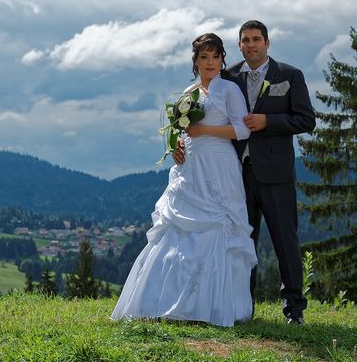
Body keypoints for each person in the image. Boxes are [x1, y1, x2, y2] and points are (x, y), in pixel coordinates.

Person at [173, 20, 315, 325]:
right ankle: (242, 306)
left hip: (275, 173)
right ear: (238, 45)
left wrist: (269, 121)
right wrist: (180, 143)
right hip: (234, 174)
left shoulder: (289, 75)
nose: (251, 45)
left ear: (267, 42)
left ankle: (294, 309)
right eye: (245, 40)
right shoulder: (228, 75)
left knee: (284, 241)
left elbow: (306, 120)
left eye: (256, 39)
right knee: (238, 239)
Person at [111, 33, 257, 327]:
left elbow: (242, 130)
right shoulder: (187, 93)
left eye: (216, 57)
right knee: (177, 231)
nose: (211, 62)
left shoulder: (230, 90)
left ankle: (216, 306)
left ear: (222, 60)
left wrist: (205, 133)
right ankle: (164, 300)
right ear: (196, 61)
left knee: (217, 227)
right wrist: (175, 145)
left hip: (218, 165)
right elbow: (178, 130)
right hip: (189, 167)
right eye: (204, 57)